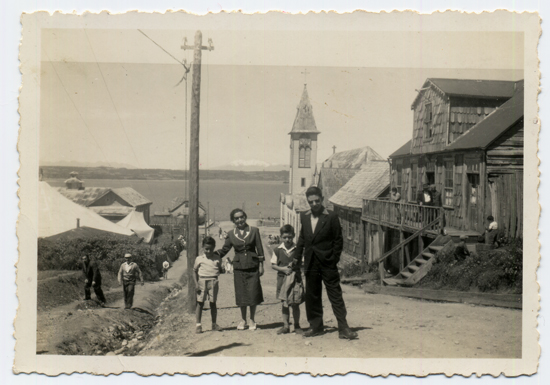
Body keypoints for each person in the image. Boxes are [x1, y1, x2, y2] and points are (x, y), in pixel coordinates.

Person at [293, 186, 358, 340]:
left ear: (321, 199)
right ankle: (316, 326)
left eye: (317, 201)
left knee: (335, 294)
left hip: (327, 263)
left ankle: (343, 328)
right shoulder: (304, 216)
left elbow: (338, 240)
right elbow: (302, 238)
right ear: (308, 202)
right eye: (311, 202)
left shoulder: (331, 216)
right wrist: (297, 257)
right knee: (312, 296)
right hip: (311, 263)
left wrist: (333, 259)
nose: (314, 204)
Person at [216, 208, 265, 331]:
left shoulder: (254, 231)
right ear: (233, 220)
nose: (240, 220)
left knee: (253, 292)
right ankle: (243, 319)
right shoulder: (231, 234)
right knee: (241, 293)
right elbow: (225, 249)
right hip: (239, 267)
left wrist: (261, 265)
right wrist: (212, 255)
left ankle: (252, 319)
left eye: (241, 217)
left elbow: (259, 249)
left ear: (245, 217)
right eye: (236, 218)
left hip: (253, 265)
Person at [271, 224, 302, 335]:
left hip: (295, 280)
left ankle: (297, 325)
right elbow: (273, 265)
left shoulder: (298, 249)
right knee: (284, 303)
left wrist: (296, 268)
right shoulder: (277, 250)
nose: (287, 239)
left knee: (295, 303)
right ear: (281, 237)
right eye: (285, 237)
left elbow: (302, 263)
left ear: (293, 236)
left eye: (290, 237)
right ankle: (285, 325)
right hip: (282, 279)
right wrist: (283, 269)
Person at [194, 236, 224, 334]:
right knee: (200, 303)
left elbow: (220, 269)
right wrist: (196, 283)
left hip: (213, 281)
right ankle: (198, 325)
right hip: (202, 281)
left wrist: (221, 269)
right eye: (206, 249)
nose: (208, 251)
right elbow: (194, 271)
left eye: (211, 249)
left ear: (214, 247)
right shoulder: (199, 259)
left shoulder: (217, 258)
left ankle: (214, 324)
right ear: (203, 247)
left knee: (213, 303)